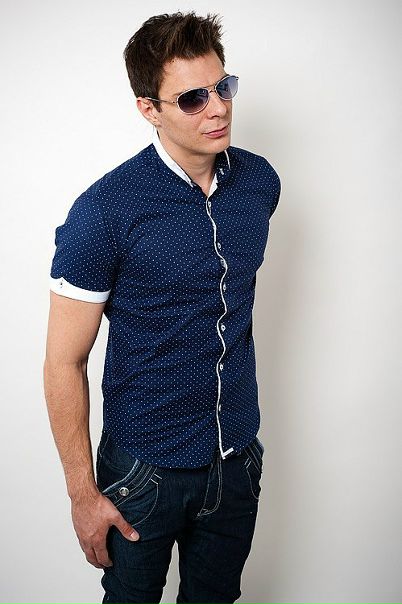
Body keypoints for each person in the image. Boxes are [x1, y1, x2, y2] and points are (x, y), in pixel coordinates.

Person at [43, 10, 281, 604]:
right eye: (194, 98)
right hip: (143, 472)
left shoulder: (259, 184)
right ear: (149, 108)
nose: (218, 109)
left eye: (224, 87)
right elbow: (62, 363)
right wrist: (82, 495)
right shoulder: (104, 213)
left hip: (236, 460)